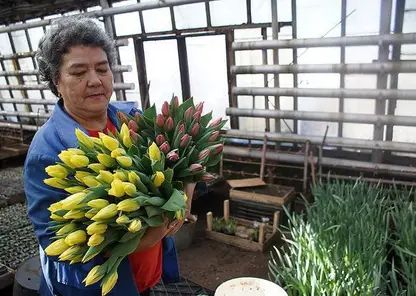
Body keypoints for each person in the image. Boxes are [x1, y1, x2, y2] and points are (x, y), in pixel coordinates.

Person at [24, 16, 194, 296]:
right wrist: (142, 238)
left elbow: (178, 166)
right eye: (79, 73)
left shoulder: (132, 120)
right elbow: (58, 245)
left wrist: (184, 194)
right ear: (56, 81)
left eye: (102, 69)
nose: (95, 81)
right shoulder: (47, 152)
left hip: (149, 278)